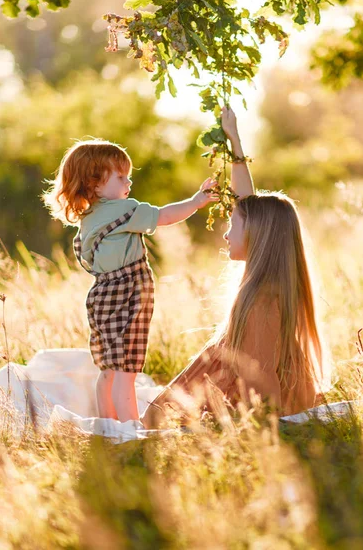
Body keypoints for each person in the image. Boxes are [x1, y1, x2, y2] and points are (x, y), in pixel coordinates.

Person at [142, 106, 331, 428]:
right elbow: (249, 206)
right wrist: (235, 142)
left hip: (240, 398)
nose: (226, 234)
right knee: (153, 412)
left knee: (152, 418)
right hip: (229, 381)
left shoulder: (262, 301)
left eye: (234, 225)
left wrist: (258, 426)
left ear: (258, 236)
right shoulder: (269, 277)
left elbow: (262, 381)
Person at [42, 139, 217, 423]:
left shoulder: (89, 217)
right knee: (127, 369)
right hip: (128, 294)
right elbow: (164, 216)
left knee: (109, 368)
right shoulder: (123, 210)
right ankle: (131, 431)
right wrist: (197, 202)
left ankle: (109, 424)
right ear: (95, 184)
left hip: (101, 295)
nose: (129, 181)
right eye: (121, 176)